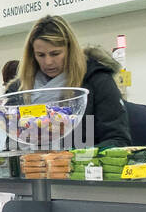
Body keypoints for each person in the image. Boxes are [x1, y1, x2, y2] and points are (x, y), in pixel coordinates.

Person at [7, 14, 131, 148]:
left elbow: (117, 139)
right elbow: (11, 145)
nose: (48, 62)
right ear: (32, 55)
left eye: (55, 54)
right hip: (33, 167)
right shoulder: (17, 91)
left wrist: (76, 159)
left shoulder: (97, 81)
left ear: (70, 50)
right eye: (40, 55)